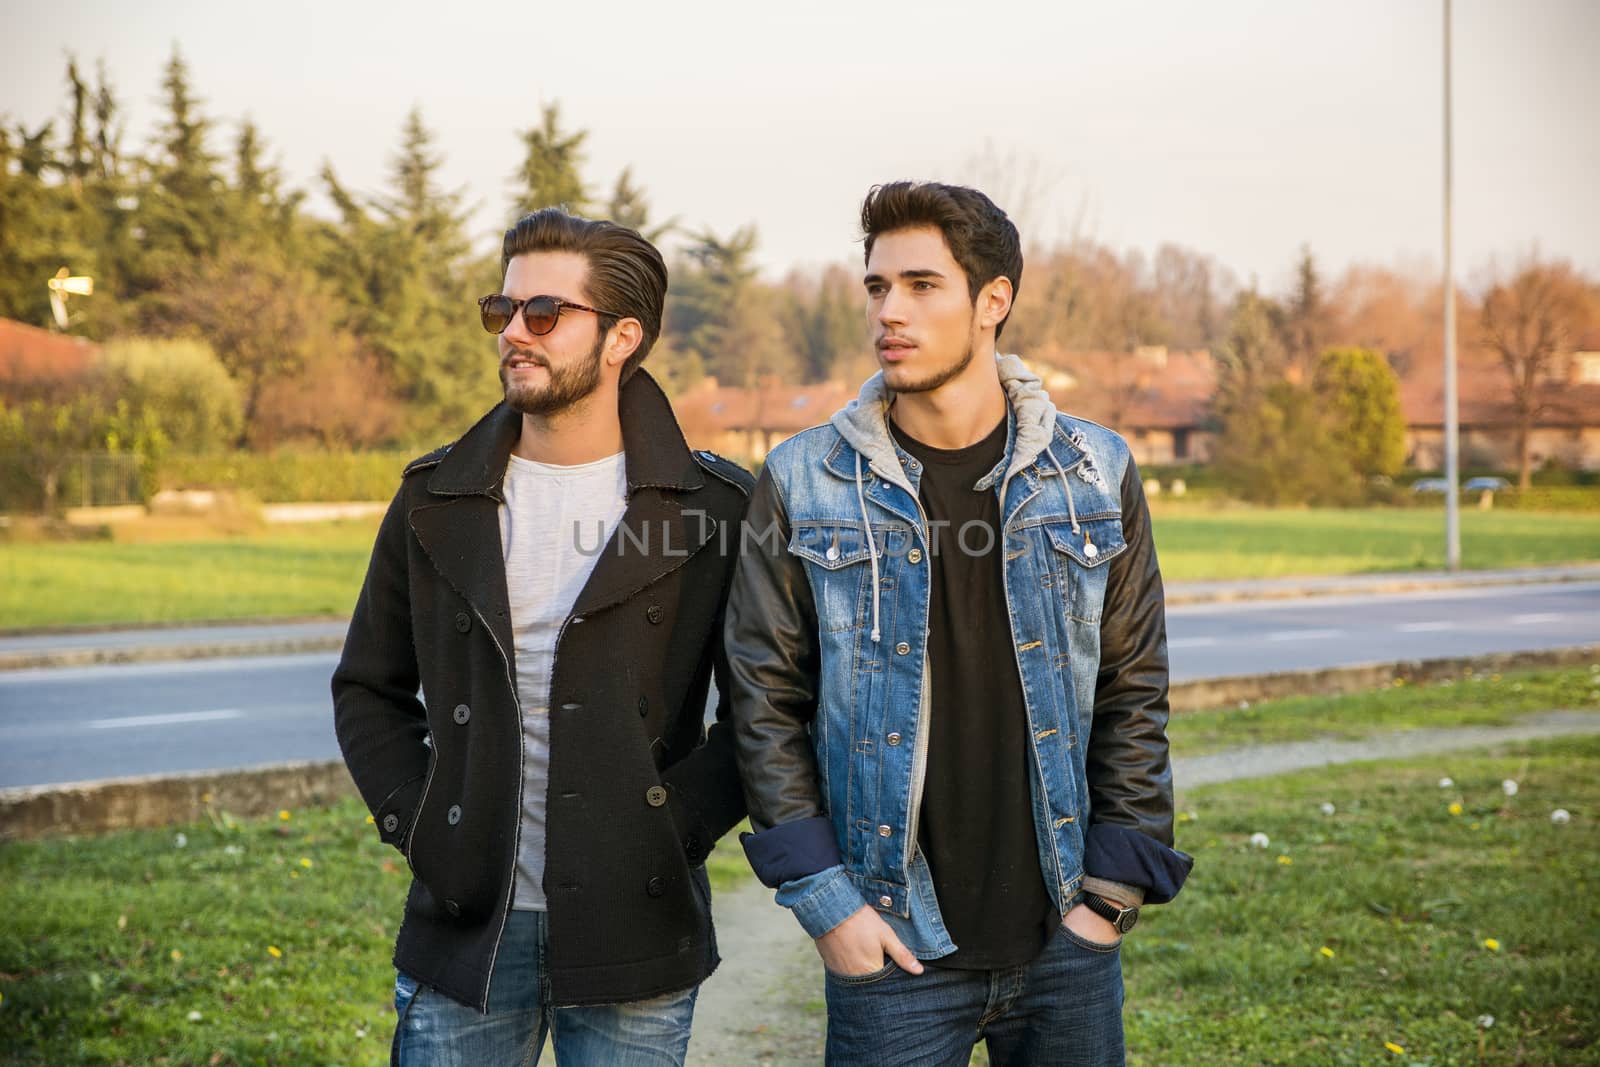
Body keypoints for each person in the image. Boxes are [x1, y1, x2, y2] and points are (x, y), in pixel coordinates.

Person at [726, 181, 1192, 1066]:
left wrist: (1108, 899)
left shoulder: (1096, 471)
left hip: (1066, 934)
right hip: (891, 944)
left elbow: (1135, 685)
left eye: (921, 285)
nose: (889, 311)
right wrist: (829, 904)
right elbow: (762, 701)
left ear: (994, 301)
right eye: (876, 287)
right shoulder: (803, 480)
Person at [333, 208, 752, 1066]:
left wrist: (673, 825)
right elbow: (369, 686)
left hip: (635, 924)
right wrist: (420, 825)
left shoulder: (713, 508)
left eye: (545, 313)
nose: (514, 333)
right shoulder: (435, 496)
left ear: (622, 336)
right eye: (503, 310)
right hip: (466, 928)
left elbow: (768, 708)